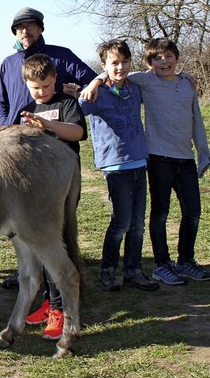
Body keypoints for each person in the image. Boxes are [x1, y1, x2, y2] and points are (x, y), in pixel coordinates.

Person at [82, 38, 210, 284]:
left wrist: (202, 151)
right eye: (157, 58)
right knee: (151, 214)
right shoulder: (144, 81)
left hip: (177, 158)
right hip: (154, 158)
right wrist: (96, 80)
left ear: (177, 57)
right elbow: (113, 71)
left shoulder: (182, 85)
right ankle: (157, 265)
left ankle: (183, 261)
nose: (164, 62)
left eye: (169, 56)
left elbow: (196, 118)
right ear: (149, 64)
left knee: (191, 213)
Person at [0, 7, 97, 289]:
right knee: (21, 217)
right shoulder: (8, 63)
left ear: (40, 28)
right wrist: (7, 128)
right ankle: (29, 275)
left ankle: (60, 283)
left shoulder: (60, 55)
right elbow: (0, 101)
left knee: (55, 223)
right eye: (19, 28)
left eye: (30, 26)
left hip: (57, 155)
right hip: (18, 149)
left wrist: (75, 94)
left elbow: (92, 79)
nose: (24, 32)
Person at [78, 40, 160, 293]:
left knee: (137, 223)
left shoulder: (135, 89)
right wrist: (96, 81)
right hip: (115, 165)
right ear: (104, 65)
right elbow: (77, 108)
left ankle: (133, 270)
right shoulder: (96, 93)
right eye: (114, 63)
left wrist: (185, 77)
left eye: (124, 62)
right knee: (121, 221)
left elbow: (159, 75)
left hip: (139, 160)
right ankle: (108, 269)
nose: (121, 67)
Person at [17, 53, 87, 340]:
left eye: (46, 86)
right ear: (27, 84)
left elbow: (77, 132)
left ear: (55, 80)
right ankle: (50, 302)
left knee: (58, 242)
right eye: (36, 87)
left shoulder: (66, 103)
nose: (42, 92)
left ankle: (61, 309)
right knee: (40, 244)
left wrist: (45, 126)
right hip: (36, 187)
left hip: (63, 183)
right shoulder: (26, 109)